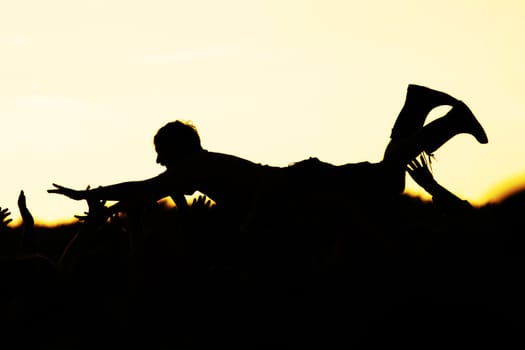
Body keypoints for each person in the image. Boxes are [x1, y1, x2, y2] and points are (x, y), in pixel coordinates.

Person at [48, 84, 488, 229]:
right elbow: (149, 192)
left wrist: (93, 195)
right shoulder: (200, 168)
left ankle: (441, 118)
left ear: (178, 152)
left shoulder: (196, 168)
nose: (160, 164)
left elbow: (147, 189)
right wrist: (109, 207)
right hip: (304, 183)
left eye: (162, 154)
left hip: (305, 187)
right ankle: (419, 104)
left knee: (389, 180)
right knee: (387, 177)